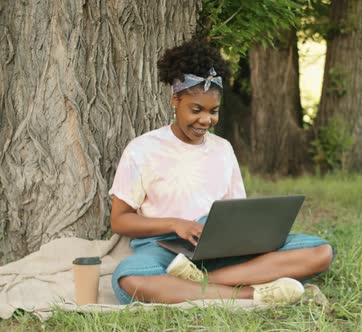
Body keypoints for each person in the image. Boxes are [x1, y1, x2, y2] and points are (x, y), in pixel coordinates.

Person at [109, 40, 334, 305]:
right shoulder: (142, 149)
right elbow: (120, 220)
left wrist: (251, 236)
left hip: (221, 248)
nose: (206, 120)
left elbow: (235, 209)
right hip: (165, 249)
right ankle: (250, 293)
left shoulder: (223, 149)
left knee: (321, 251)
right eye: (196, 110)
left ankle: (201, 282)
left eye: (213, 111)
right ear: (175, 100)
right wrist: (175, 224)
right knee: (130, 279)